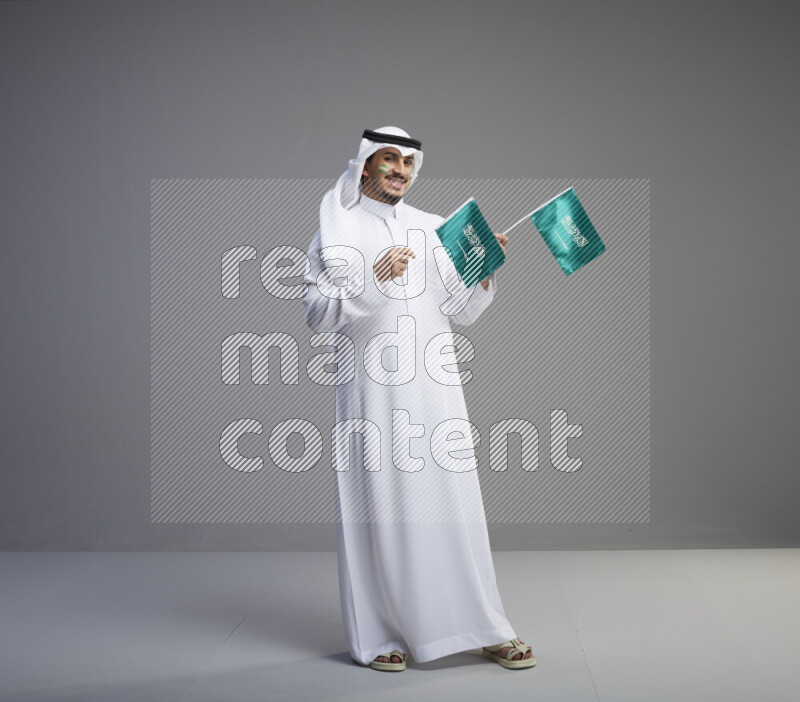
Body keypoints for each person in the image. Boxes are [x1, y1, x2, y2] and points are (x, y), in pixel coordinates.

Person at [302, 126, 535, 671]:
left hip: (436, 389)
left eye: (409, 163)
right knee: (380, 507)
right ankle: (382, 635)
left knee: (453, 505)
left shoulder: (434, 229)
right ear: (365, 167)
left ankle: (484, 626)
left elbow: (458, 306)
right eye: (389, 161)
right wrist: (368, 280)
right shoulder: (336, 231)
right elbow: (315, 313)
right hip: (372, 393)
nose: (401, 171)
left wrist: (483, 271)